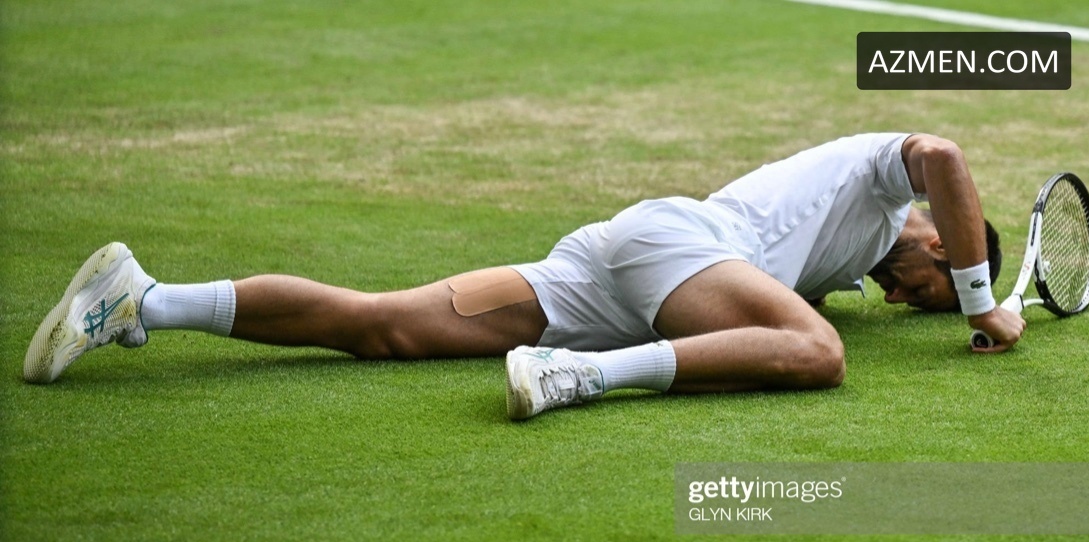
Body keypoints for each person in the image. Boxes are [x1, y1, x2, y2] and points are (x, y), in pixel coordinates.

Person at [23, 132, 1026, 419]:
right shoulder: (885, 177)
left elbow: (776, 293)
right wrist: (985, 309)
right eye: (927, 286)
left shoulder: (848, 248)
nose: (898, 299)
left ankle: (142, 297)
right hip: (675, 250)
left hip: (615, 264)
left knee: (381, 326)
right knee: (817, 352)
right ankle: (574, 378)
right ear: (947, 241)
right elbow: (944, 153)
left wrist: (954, 295)